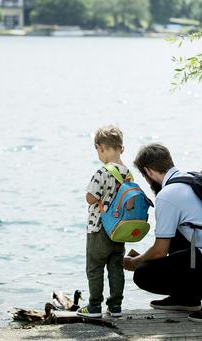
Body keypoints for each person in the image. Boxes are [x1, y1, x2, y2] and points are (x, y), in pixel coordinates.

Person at [123, 143, 202, 322]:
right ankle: (185, 298)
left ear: (148, 172)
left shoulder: (167, 195)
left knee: (143, 274)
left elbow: (160, 250)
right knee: (176, 229)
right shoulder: (193, 177)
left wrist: (134, 262)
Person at [76, 126, 129, 319]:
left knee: (95, 266)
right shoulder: (127, 173)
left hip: (98, 228)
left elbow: (91, 198)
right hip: (119, 229)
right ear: (121, 149)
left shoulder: (102, 172)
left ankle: (94, 306)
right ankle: (115, 307)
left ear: (100, 148)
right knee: (116, 267)